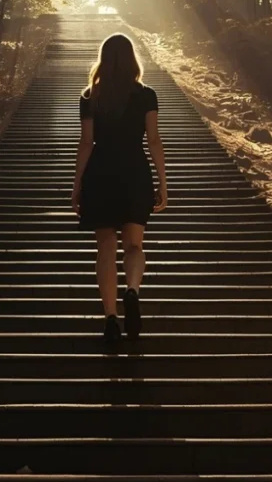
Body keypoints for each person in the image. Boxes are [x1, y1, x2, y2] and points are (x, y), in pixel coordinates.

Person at [71, 33, 168, 342]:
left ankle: (111, 317)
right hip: (135, 172)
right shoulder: (147, 95)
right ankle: (132, 290)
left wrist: (77, 186)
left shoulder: (90, 96)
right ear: (131, 59)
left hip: (100, 173)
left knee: (106, 248)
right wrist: (163, 183)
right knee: (134, 246)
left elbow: (86, 143)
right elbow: (153, 140)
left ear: (103, 60)